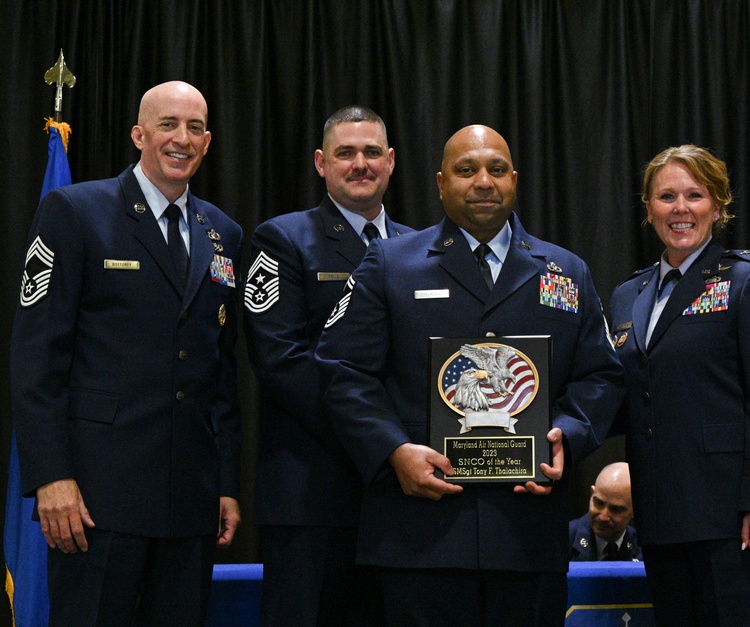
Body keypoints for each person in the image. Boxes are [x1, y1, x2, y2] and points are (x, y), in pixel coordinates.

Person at [314, 124, 625, 626]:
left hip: (527, 535)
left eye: (496, 169)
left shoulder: (566, 271)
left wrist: (566, 436)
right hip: (420, 535)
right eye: (467, 170)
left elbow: (602, 377)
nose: (484, 181)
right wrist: (392, 450)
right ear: (440, 183)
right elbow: (342, 371)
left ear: (515, 180)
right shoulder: (391, 264)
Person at [9, 80, 242, 626]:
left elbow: (220, 372)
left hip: (190, 499)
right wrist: (51, 476)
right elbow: (36, 358)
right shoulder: (75, 211)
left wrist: (228, 484)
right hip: (94, 500)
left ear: (207, 141)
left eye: (195, 128)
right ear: (139, 134)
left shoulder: (222, 234)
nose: (182, 138)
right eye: (168, 125)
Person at [608, 145, 750, 626]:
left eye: (695, 195)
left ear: (718, 205)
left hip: (733, 518)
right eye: (666, 195)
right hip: (660, 514)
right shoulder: (627, 295)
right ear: (648, 207)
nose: (680, 209)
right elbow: (623, 395)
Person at [243, 105, 412, 626]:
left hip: (400, 500)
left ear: (390, 163)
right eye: (345, 153)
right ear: (321, 163)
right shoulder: (283, 240)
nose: (359, 164)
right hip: (311, 496)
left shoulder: (419, 249)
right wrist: (385, 441)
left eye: (370, 153)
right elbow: (283, 362)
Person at [568, 462, 642, 562]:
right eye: (599, 503)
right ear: (592, 494)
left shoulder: (645, 550)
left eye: (615, 509)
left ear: (635, 510)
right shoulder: (562, 542)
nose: (603, 517)